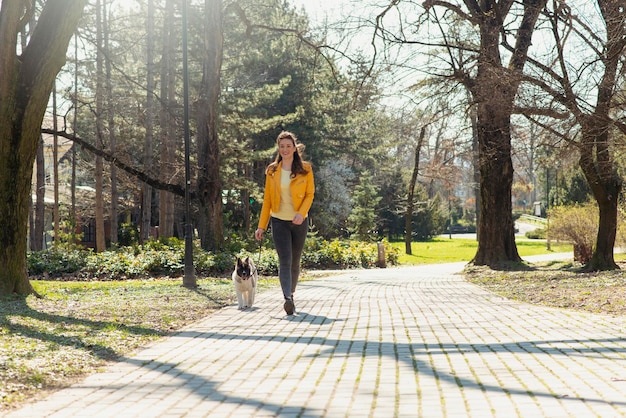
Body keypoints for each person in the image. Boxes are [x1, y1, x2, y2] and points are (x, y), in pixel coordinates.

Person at [255, 131, 315, 315]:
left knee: (295, 261)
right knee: (285, 260)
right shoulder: (272, 170)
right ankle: (287, 298)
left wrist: (301, 213)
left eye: (288, 146)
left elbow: (309, 194)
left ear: (294, 148)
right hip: (279, 220)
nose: (285, 149)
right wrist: (261, 226)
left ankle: (292, 293)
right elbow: (267, 201)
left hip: (298, 221)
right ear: (278, 148)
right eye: (282, 146)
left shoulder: (305, 169)